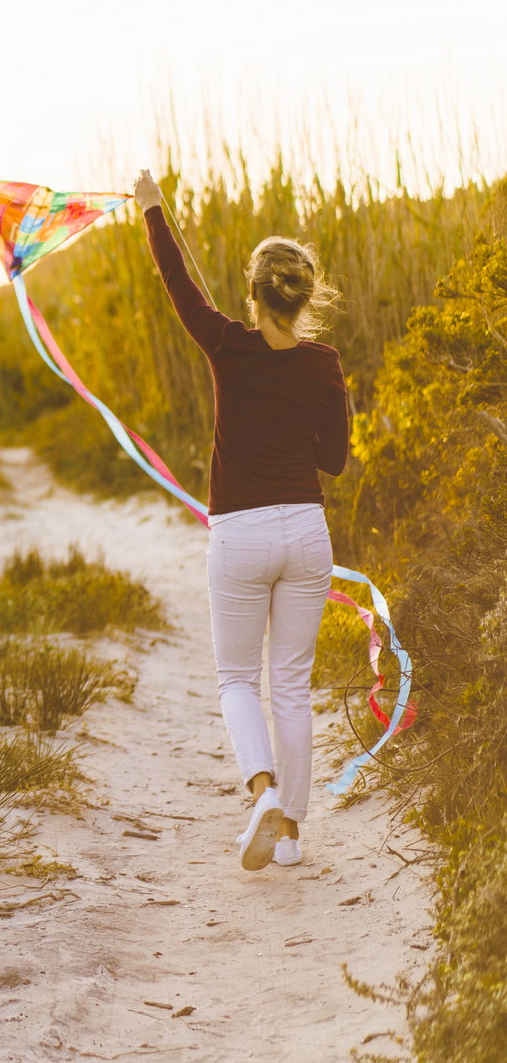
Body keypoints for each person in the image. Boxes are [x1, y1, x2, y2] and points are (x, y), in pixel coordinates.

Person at [137, 169, 350, 872]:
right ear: (307, 296)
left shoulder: (226, 343)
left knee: (237, 680)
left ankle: (261, 790)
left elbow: (179, 288)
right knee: (291, 686)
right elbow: (335, 462)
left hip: (240, 534)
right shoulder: (326, 365)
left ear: (253, 294)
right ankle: (290, 834)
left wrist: (153, 210)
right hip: (306, 533)